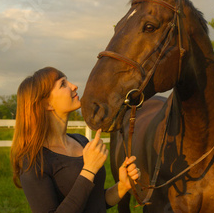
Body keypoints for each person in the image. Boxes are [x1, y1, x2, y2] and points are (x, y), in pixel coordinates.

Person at [10, 67, 140, 213]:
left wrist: (122, 186)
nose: (74, 86)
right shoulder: (33, 161)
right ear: (47, 104)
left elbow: (95, 203)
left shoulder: (81, 141)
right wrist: (89, 170)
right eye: (63, 84)